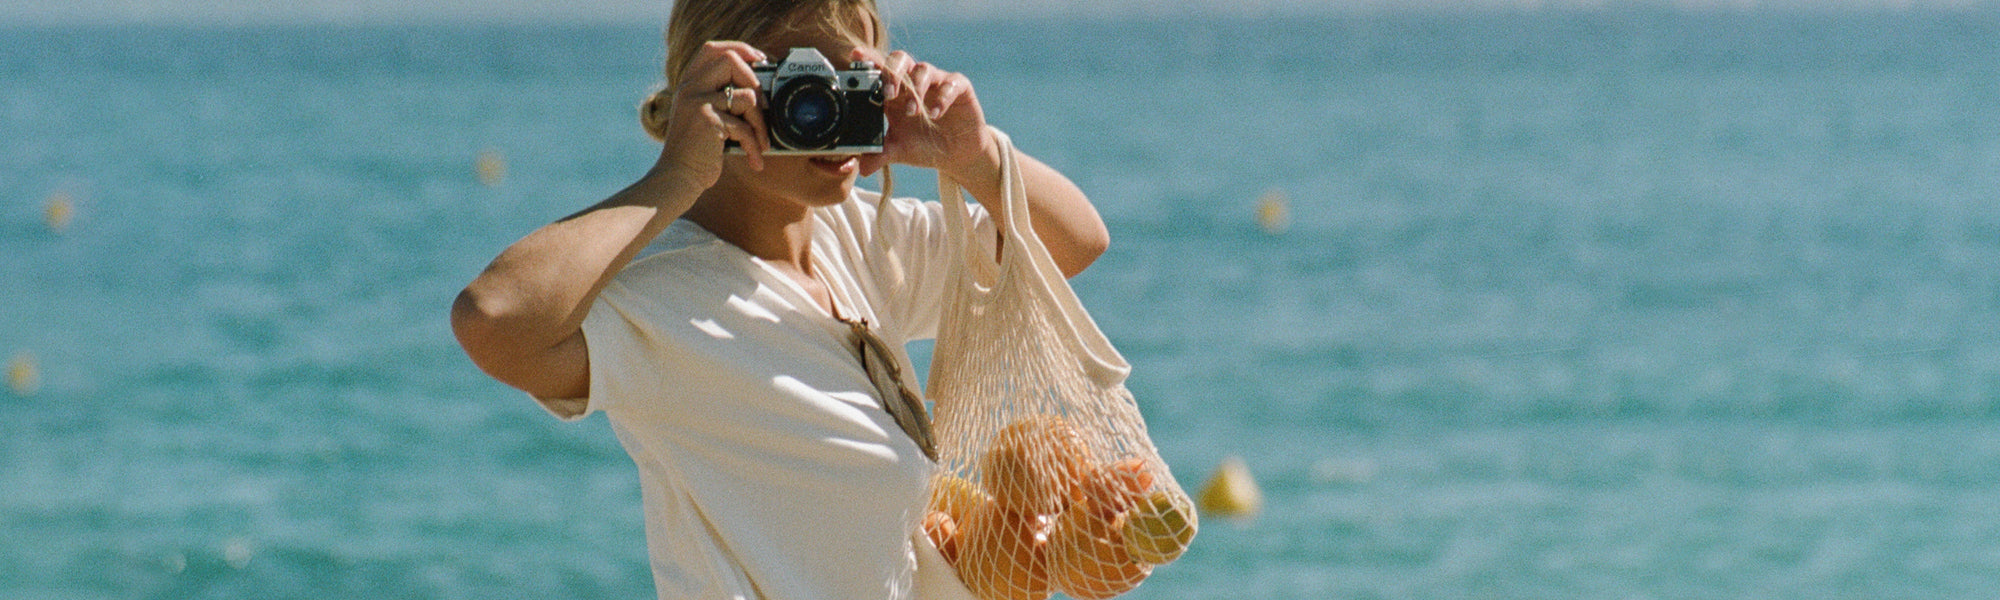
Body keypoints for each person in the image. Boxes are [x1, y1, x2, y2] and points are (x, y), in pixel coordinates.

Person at [448, 0, 1108, 597]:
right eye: (800, 88)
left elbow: (1072, 243)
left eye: (857, 80)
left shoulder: (857, 237)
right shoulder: (671, 298)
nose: (825, 110)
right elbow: (493, 319)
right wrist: (677, 173)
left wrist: (975, 156)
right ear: (724, 94)